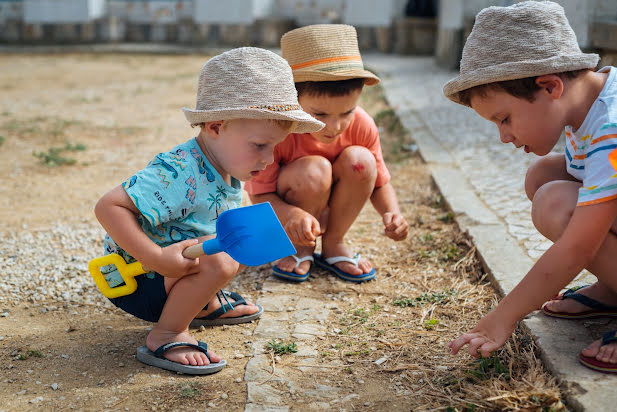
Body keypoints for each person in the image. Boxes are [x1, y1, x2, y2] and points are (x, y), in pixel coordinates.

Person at [93, 47, 323, 374]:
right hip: (139, 279)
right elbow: (108, 206)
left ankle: (201, 303)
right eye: (260, 145)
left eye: (274, 147)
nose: (269, 159)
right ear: (216, 126)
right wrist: (156, 258)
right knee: (221, 256)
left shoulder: (225, 163)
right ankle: (167, 333)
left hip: (174, 271)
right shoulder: (179, 172)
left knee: (242, 238)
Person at [443, 1, 617, 373]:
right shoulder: (588, 103)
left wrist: (503, 317)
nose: (504, 136)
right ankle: (611, 287)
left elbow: (577, 246)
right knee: (543, 174)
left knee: (554, 202)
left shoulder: (611, 126)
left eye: (504, 119)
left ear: (551, 86)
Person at [245, 24, 409, 283]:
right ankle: (299, 246)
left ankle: (334, 243)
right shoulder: (277, 131)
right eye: (319, 114)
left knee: (362, 161)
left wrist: (392, 213)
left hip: (338, 206)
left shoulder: (362, 125)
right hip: (290, 204)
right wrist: (291, 215)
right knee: (315, 169)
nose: (334, 127)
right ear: (292, 98)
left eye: (347, 112)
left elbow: (379, 182)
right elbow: (259, 192)